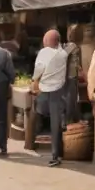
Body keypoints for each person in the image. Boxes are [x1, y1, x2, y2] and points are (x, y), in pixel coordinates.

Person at [32, 29, 69, 167]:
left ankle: (33, 143)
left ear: (49, 41)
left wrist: (34, 79)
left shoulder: (44, 52)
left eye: (45, 39)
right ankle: (56, 154)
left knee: (37, 114)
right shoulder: (63, 54)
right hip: (59, 91)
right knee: (56, 123)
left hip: (45, 90)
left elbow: (39, 69)